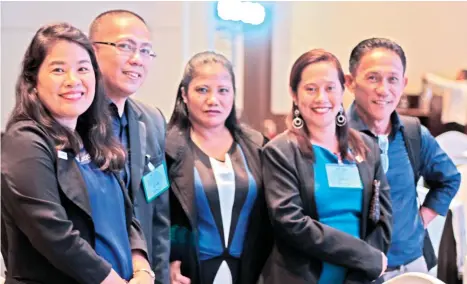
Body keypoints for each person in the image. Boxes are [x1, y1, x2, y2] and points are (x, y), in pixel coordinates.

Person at [1, 22, 152, 284]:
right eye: (59, 69)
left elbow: (126, 217)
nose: (74, 81)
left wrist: (142, 270)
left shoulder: (94, 137)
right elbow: (53, 233)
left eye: (83, 68)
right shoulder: (24, 141)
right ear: (32, 80)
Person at [261, 49, 392, 284]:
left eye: (330, 88)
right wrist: (363, 256)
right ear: (294, 94)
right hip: (302, 277)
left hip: (358, 277)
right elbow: (291, 223)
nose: (321, 98)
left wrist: (364, 268)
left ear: (343, 89)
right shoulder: (280, 151)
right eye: (311, 89)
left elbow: (383, 216)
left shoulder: (366, 147)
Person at [346, 37, 461, 280]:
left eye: (393, 79)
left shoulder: (413, 133)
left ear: (404, 84)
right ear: (350, 82)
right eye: (372, 78)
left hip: (411, 265)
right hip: (353, 270)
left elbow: (449, 178)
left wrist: (420, 221)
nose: (383, 89)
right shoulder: (334, 137)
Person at [166, 51, 273, 284]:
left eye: (223, 90)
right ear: (184, 94)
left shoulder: (258, 146)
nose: (213, 100)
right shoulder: (164, 148)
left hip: (250, 272)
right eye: (202, 90)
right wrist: (167, 260)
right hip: (188, 274)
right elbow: (156, 215)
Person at [89, 10, 169, 283]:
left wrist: (157, 274)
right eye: (125, 46)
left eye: (146, 51)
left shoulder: (153, 120)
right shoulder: (71, 122)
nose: (138, 60)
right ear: (92, 51)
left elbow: (157, 209)